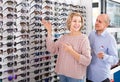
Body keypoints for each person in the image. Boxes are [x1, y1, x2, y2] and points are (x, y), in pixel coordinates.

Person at [41, 12, 91, 82]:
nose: (77, 24)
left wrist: (71, 51)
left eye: (79, 21)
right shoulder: (64, 37)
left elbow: (87, 61)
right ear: (69, 22)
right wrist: (49, 31)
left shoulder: (84, 39)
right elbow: (52, 49)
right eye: (74, 21)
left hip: (75, 77)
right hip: (62, 75)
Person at [86, 14, 118, 82]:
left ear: (106, 25)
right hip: (89, 75)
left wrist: (104, 56)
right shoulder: (91, 34)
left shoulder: (110, 39)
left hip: (102, 78)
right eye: (96, 20)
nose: (96, 23)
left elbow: (115, 59)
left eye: (100, 21)